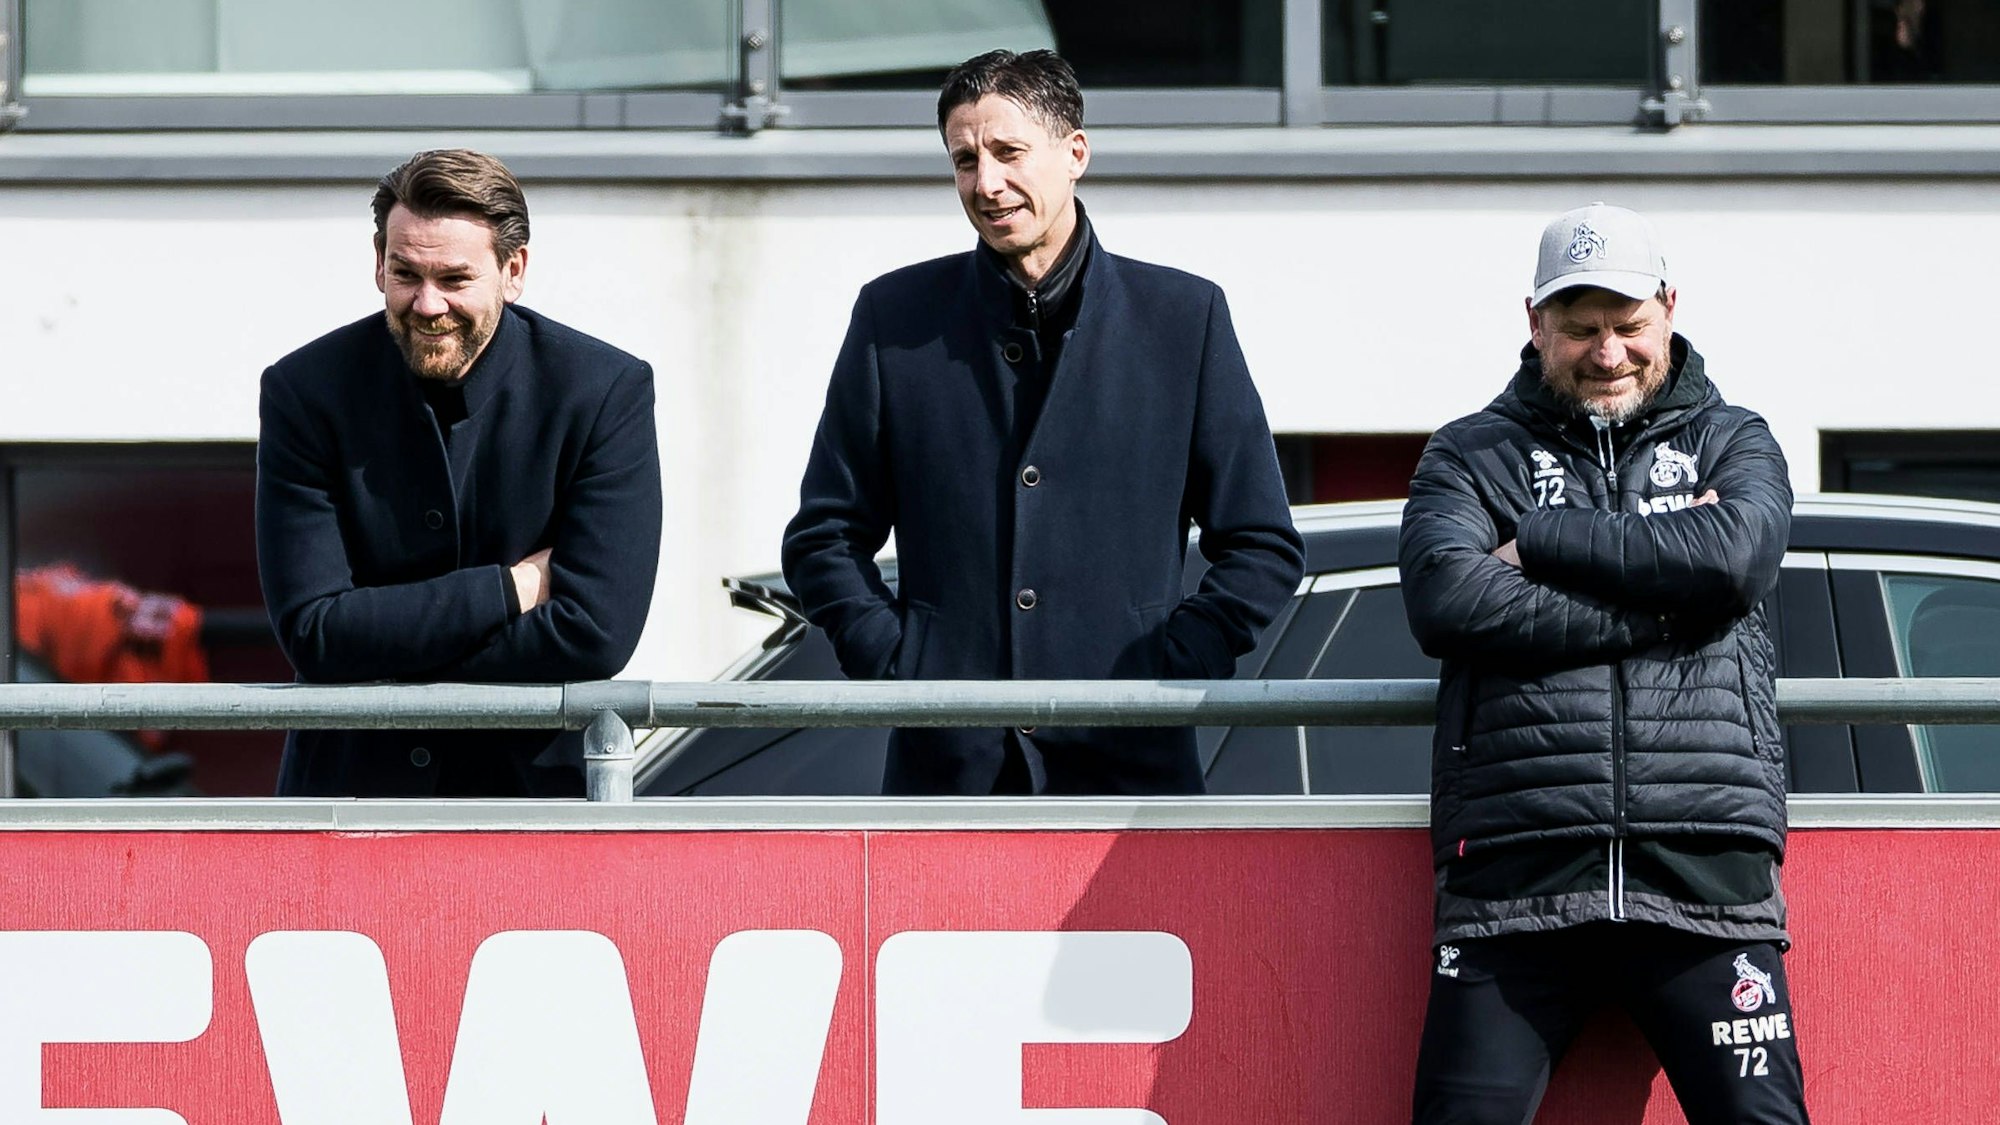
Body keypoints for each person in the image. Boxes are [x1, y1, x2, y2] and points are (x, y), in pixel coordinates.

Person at [782, 49, 1303, 796]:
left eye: (1007, 152)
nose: (985, 183)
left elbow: (1261, 543)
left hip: (1131, 783)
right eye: (964, 159)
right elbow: (823, 536)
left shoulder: (1184, 321)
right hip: (949, 781)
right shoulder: (893, 320)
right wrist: (903, 665)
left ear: (1076, 153)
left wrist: (1167, 668)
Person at [1397, 203, 1809, 1123]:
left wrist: (1539, 537)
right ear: (1534, 322)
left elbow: (1737, 557)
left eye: (1629, 325)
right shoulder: (1469, 453)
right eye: (1580, 329)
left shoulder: (1736, 437)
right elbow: (1447, 599)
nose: (1608, 352)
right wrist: (1674, 598)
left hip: (1704, 869)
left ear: (1670, 306)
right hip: (1516, 874)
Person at [257, 149, 662, 797]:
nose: (427, 303)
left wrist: (384, 650)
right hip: (349, 806)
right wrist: (512, 588)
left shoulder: (603, 391)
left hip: (529, 813)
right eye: (405, 273)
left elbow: (596, 634)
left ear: (514, 269)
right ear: (377, 263)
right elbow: (315, 634)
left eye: (454, 278)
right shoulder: (305, 391)